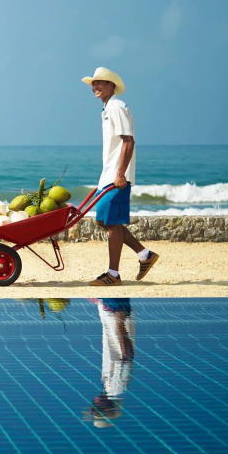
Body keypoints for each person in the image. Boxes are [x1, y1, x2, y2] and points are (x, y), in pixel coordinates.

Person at [82, 67, 160, 286]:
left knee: (113, 223)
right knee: (102, 220)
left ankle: (113, 275)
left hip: (117, 176)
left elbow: (129, 140)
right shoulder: (107, 109)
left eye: (100, 82)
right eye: (93, 83)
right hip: (108, 174)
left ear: (111, 85)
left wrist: (120, 174)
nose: (95, 86)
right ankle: (145, 255)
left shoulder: (117, 107)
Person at [83, 298, 135, 428]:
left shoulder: (108, 388)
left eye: (94, 407)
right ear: (108, 406)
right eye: (97, 408)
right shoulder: (116, 388)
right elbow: (128, 357)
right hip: (114, 313)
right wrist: (120, 323)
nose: (94, 404)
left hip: (110, 313)